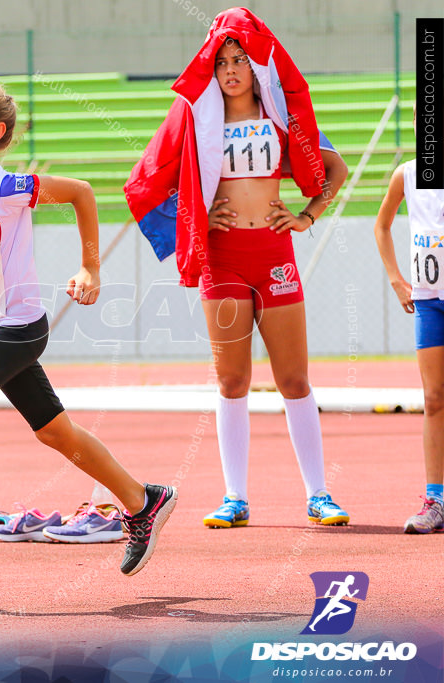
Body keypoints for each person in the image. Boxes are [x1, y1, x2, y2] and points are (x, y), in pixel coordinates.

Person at [0, 72, 177, 592]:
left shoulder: (5, 186)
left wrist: (90, 268)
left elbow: (82, 193)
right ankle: (143, 501)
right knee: (54, 432)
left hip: (18, 329)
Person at [126, 8, 349, 529]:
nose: (230, 71)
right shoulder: (196, 119)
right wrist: (197, 217)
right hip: (221, 258)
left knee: (294, 378)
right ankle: (234, 497)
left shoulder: (280, 115)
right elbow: (147, 180)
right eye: (222, 61)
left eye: (240, 60)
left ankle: (319, 494)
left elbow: (331, 167)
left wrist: (306, 215)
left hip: (274, 255)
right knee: (232, 380)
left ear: (256, 67)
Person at [373, 134, 444, 533]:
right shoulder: (408, 175)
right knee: (434, 398)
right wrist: (397, 280)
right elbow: (382, 227)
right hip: (430, 300)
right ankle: (436, 499)